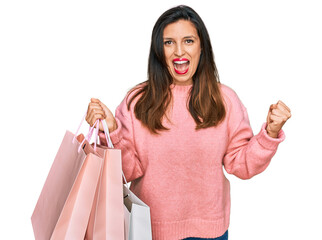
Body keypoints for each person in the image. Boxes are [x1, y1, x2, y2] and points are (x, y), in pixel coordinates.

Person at [85, 5, 291, 240]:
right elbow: (128, 172)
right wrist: (111, 132)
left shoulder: (225, 100)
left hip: (209, 233)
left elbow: (241, 165)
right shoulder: (138, 101)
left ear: (202, 47)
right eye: (169, 42)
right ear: (158, 50)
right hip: (147, 231)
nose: (179, 51)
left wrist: (270, 134)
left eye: (189, 41)